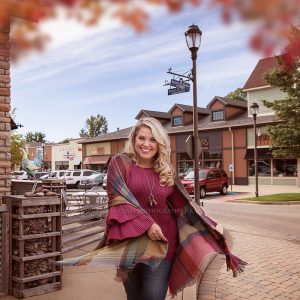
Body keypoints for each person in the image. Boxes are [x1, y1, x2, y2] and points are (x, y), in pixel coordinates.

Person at [59, 117, 246, 299]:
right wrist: (148, 224)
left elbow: (183, 206)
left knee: (152, 295)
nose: (146, 144)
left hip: (163, 244)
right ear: (134, 139)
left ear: (160, 144)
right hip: (128, 243)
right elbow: (117, 198)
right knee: (134, 296)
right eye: (142, 138)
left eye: (153, 139)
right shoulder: (120, 163)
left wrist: (208, 228)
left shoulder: (166, 170)